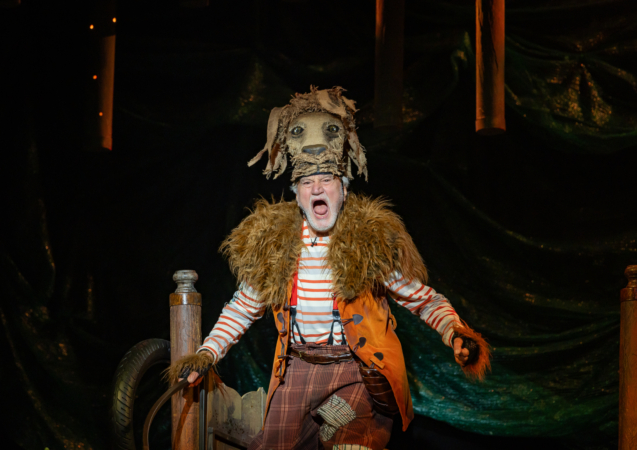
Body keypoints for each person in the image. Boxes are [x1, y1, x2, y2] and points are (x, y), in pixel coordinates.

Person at [168, 86, 490, 450]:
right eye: (308, 182)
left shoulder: (369, 244)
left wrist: (455, 332)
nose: (317, 188)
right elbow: (242, 308)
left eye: (327, 180)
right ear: (298, 195)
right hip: (297, 369)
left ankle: (336, 428)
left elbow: (423, 299)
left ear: (343, 190)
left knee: (350, 443)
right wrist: (207, 353)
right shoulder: (277, 247)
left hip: (354, 372)